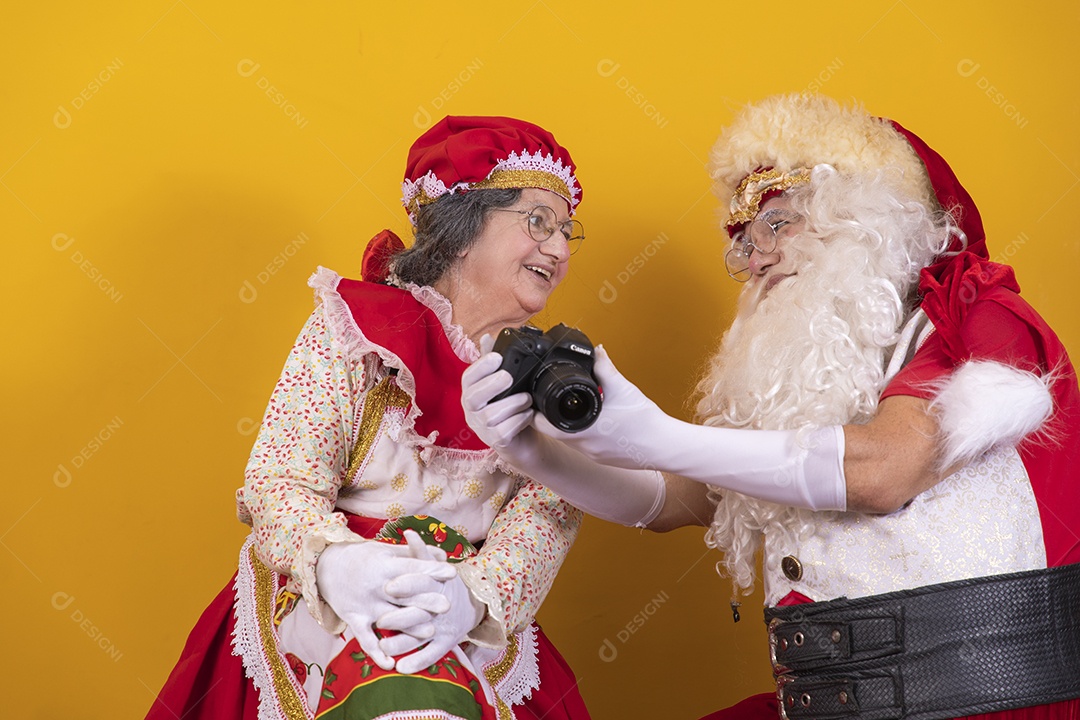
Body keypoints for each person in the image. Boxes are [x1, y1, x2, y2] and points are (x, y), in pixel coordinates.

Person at [462, 94, 1080, 718]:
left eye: (777, 223)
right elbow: (676, 497)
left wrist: (653, 434)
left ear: (865, 217)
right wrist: (535, 453)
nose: (753, 257)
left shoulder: (977, 318)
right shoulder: (813, 379)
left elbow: (884, 470)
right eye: (742, 241)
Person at [145, 116, 593, 720]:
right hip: (321, 603)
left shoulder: (551, 372)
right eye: (538, 221)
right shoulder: (355, 333)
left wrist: (475, 596)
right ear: (462, 229)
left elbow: (550, 506)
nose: (560, 249)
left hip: (458, 616)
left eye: (567, 230)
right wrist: (336, 566)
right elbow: (280, 481)